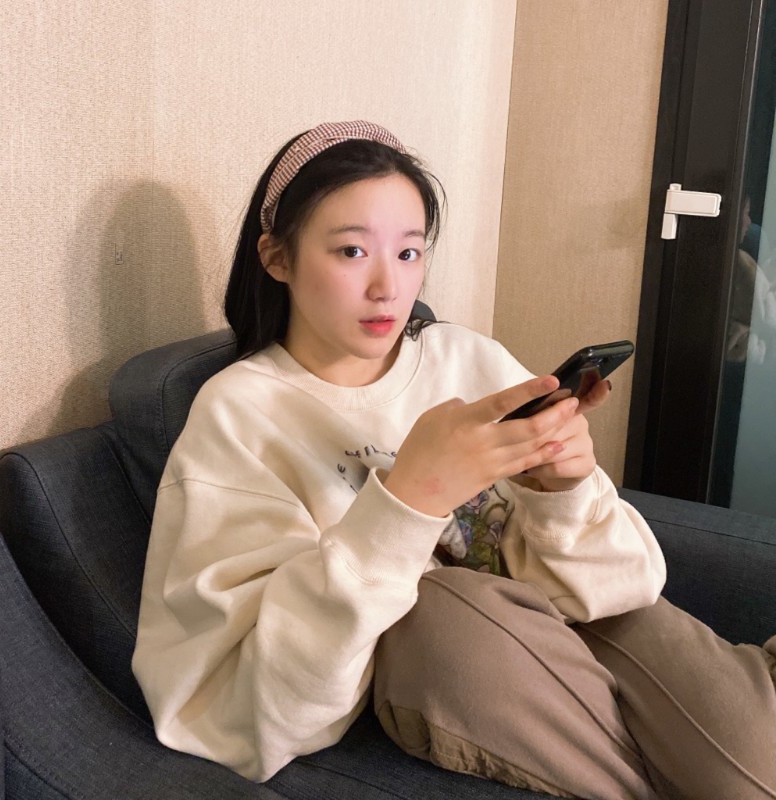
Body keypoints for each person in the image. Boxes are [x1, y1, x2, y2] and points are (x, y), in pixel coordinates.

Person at [133, 121, 776, 799]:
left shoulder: (464, 358)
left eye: (409, 252)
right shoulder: (240, 414)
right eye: (352, 251)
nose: (388, 286)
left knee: (752, 756)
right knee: (438, 607)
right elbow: (240, 709)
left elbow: (624, 586)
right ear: (277, 258)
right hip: (457, 656)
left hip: (571, 620)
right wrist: (405, 503)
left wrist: (563, 490)